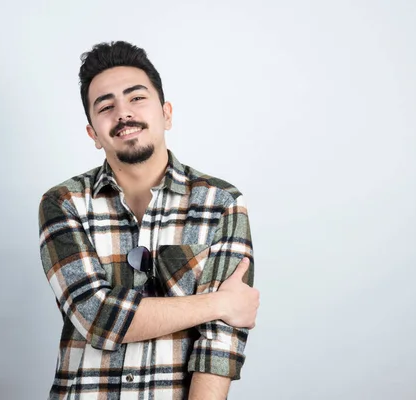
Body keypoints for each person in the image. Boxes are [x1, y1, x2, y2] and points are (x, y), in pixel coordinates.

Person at [38, 41, 259, 400]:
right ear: (93, 134)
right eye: (106, 106)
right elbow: (96, 317)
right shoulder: (63, 203)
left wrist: (221, 314)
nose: (123, 113)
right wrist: (219, 303)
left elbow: (220, 344)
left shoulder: (222, 202)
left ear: (166, 113)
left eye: (136, 98)